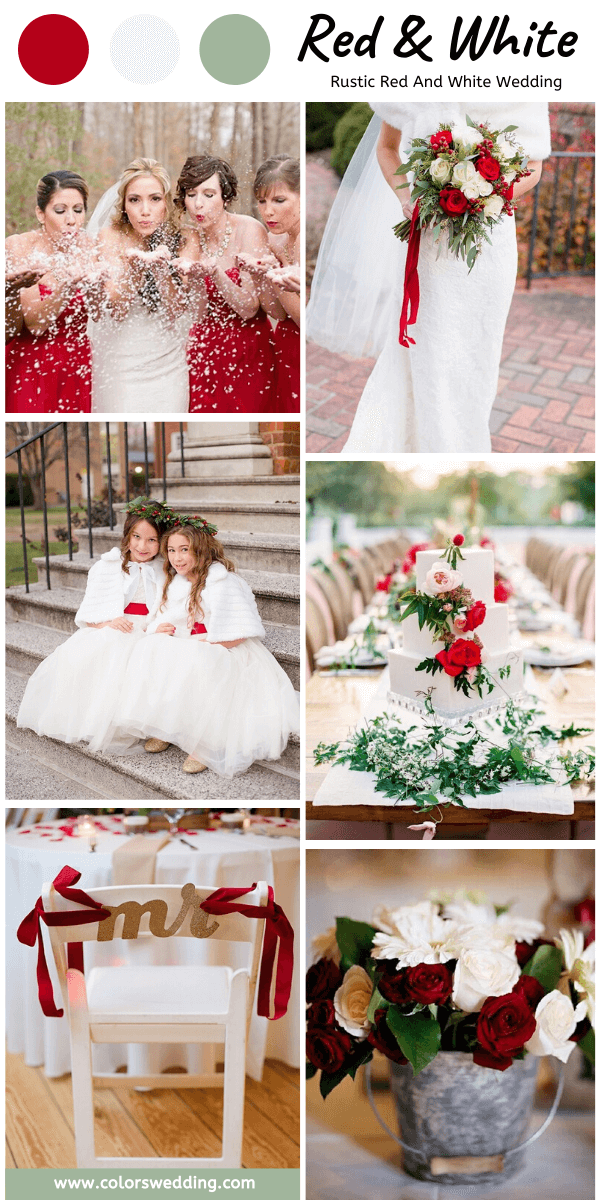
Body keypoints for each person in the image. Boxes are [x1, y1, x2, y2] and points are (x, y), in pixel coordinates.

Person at [306, 103, 551, 453]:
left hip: (488, 249)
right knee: (426, 353)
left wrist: (481, 199)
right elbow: (387, 149)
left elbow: (534, 167)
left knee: (475, 357)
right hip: (431, 245)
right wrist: (407, 199)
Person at [113, 518, 299, 776]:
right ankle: (166, 726)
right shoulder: (176, 581)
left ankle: (204, 744)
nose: (177, 558)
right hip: (189, 642)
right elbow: (162, 616)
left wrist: (208, 642)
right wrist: (159, 629)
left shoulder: (223, 581)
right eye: (172, 550)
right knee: (152, 649)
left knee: (200, 661)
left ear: (200, 550)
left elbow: (240, 632)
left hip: (223, 645)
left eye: (184, 550)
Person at [16, 500, 170, 751]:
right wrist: (109, 621)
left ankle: (152, 722)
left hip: (151, 627)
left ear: (162, 541)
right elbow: (91, 613)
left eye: (152, 540)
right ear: (127, 536)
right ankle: (105, 718)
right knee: (109, 650)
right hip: (116, 626)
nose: (143, 546)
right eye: (137, 537)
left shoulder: (166, 569)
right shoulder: (107, 567)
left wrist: (157, 626)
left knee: (154, 655)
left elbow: (171, 605)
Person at [88, 158, 191, 412]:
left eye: (155, 199)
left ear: (166, 203)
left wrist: (159, 270)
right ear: (123, 205)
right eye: (135, 200)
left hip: (168, 363)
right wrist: (134, 270)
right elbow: (117, 309)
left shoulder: (185, 238)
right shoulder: (109, 237)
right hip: (121, 362)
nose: (145, 210)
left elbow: (178, 309)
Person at [175, 154, 276, 412]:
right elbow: (197, 313)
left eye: (209, 194)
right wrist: (197, 281)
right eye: (191, 194)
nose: (199, 204)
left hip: (247, 350)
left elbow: (249, 308)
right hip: (203, 352)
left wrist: (216, 274)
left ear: (225, 197)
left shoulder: (248, 229)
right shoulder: (190, 239)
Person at [6, 171, 95, 413]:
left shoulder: (91, 247)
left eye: (78, 210)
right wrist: (68, 283)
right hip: (31, 364)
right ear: (40, 213)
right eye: (60, 210)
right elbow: (34, 323)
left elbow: (103, 311)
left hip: (78, 364)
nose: (71, 219)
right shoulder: (20, 246)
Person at [240, 155, 301, 412]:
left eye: (279, 200)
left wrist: (274, 275)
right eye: (262, 201)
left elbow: (303, 319)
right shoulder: (275, 243)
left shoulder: (303, 245)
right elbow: (277, 312)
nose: (268, 211)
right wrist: (258, 275)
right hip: (283, 347)